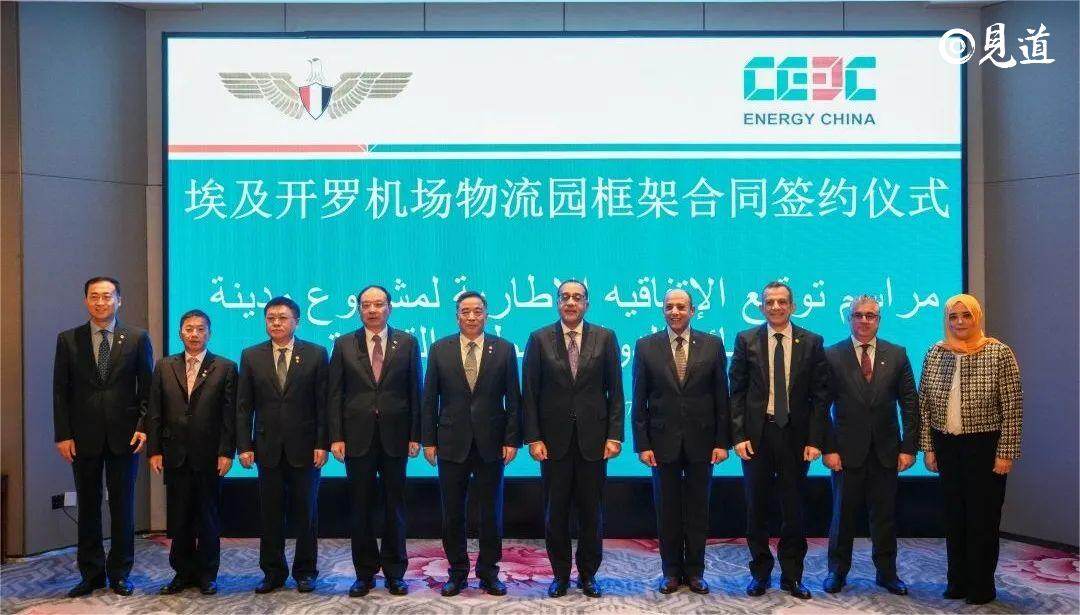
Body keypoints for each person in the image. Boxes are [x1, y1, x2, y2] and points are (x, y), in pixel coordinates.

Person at [919, 293, 1023, 606]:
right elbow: (924, 405)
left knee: (983, 519)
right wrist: (929, 448)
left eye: (966, 315)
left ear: (976, 318)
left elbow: (1013, 407)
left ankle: (981, 587)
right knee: (954, 517)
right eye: (953, 316)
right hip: (947, 446)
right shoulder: (935, 352)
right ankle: (958, 582)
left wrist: (1005, 453)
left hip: (985, 447)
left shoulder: (998, 352)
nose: (960, 322)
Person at [522, 280, 624, 598]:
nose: (570, 302)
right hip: (553, 444)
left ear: (586, 304)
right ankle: (561, 575)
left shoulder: (605, 337)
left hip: (594, 442)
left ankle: (589, 575)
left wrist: (615, 435)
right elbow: (530, 394)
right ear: (557, 303)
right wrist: (533, 438)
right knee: (556, 513)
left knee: (592, 513)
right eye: (565, 297)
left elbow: (616, 392)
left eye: (577, 298)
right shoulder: (539, 339)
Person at [53, 276, 153, 597]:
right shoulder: (69, 340)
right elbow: (60, 392)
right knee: (88, 506)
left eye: (107, 296)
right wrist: (63, 435)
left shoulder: (137, 338)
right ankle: (91, 574)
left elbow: (147, 389)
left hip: (125, 437)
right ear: (86, 300)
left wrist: (143, 426)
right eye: (94, 296)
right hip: (83, 438)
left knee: (123, 506)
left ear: (119, 300)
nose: (101, 302)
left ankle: (120, 573)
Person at [729, 281, 829, 600]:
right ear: (761, 307)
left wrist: (816, 439)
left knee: (793, 509)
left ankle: (792, 576)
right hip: (757, 436)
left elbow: (820, 396)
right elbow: (737, 392)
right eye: (769, 302)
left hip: (795, 437)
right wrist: (738, 435)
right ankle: (760, 574)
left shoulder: (812, 342)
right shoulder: (746, 340)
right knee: (756, 508)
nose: (775, 307)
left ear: (792, 306)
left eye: (782, 301)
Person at [421, 291, 522, 597]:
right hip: (451, 442)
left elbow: (513, 399)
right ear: (457, 317)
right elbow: (429, 399)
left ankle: (489, 572)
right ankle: (457, 572)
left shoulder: (504, 349)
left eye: (477, 311)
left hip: (492, 443)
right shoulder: (439, 349)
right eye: (465, 312)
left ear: (486, 315)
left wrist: (512, 439)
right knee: (453, 512)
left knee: (491, 512)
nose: (472, 317)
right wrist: (428, 440)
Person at [631, 289, 730, 595]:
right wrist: (643, 444)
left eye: (681, 307)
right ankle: (671, 572)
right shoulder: (646, 346)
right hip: (662, 443)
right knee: (668, 511)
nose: (675, 311)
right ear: (663, 311)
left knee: (699, 511)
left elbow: (721, 397)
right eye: (669, 307)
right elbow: (639, 398)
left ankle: (696, 572)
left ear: (692, 310)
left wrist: (722, 442)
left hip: (703, 442)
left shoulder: (712, 344)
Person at [327, 285, 421, 597]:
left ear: (389, 308)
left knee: (395, 506)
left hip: (396, 437)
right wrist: (336, 436)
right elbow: (335, 394)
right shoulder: (343, 344)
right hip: (357, 438)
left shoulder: (407, 342)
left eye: (378, 304)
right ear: (359, 310)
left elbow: (415, 391)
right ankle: (364, 573)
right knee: (361, 507)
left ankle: (395, 572)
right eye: (366, 305)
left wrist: (416, 434)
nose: (372, 310)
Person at [821, 295, 918, 595]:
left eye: (870, 315)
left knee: (885, 517)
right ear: (849, 318)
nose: (864, 320)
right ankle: (837, 572)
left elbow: (910, 404)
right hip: (845, 453)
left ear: (879, 320)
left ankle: (887, 573)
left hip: (886, 452)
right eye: (858, 315)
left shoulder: (897, 354)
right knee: (842, 517)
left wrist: (908, 448)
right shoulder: (831, 355)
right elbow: (820, 406)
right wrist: (828, 448)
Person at [236, 296, 329, 594]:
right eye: (270, 318)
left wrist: (322, 443)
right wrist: (244, 445)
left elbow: (323, 404)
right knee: (271, 515)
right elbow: (243, 406)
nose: (276, 323)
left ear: (296, 322)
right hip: (267, 448)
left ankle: (306, 571)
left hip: (306, 448)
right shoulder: (251, 355)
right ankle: (273, 572)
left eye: (282, 318)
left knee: (306, 514)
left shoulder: (316, 354)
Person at [146, 309, 237, 595]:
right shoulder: (164, 366)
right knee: (180, 517)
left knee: (208, 517)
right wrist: (154, 450)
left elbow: (230, 416)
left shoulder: (225, 367)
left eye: (200, 329)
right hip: (174, 454)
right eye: (189, 329)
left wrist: (227, 452)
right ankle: (182, 573)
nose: (194, 334)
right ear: (180, 333)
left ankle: (208, 574)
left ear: (209, 333)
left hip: (210, 456)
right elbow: (155, 410)